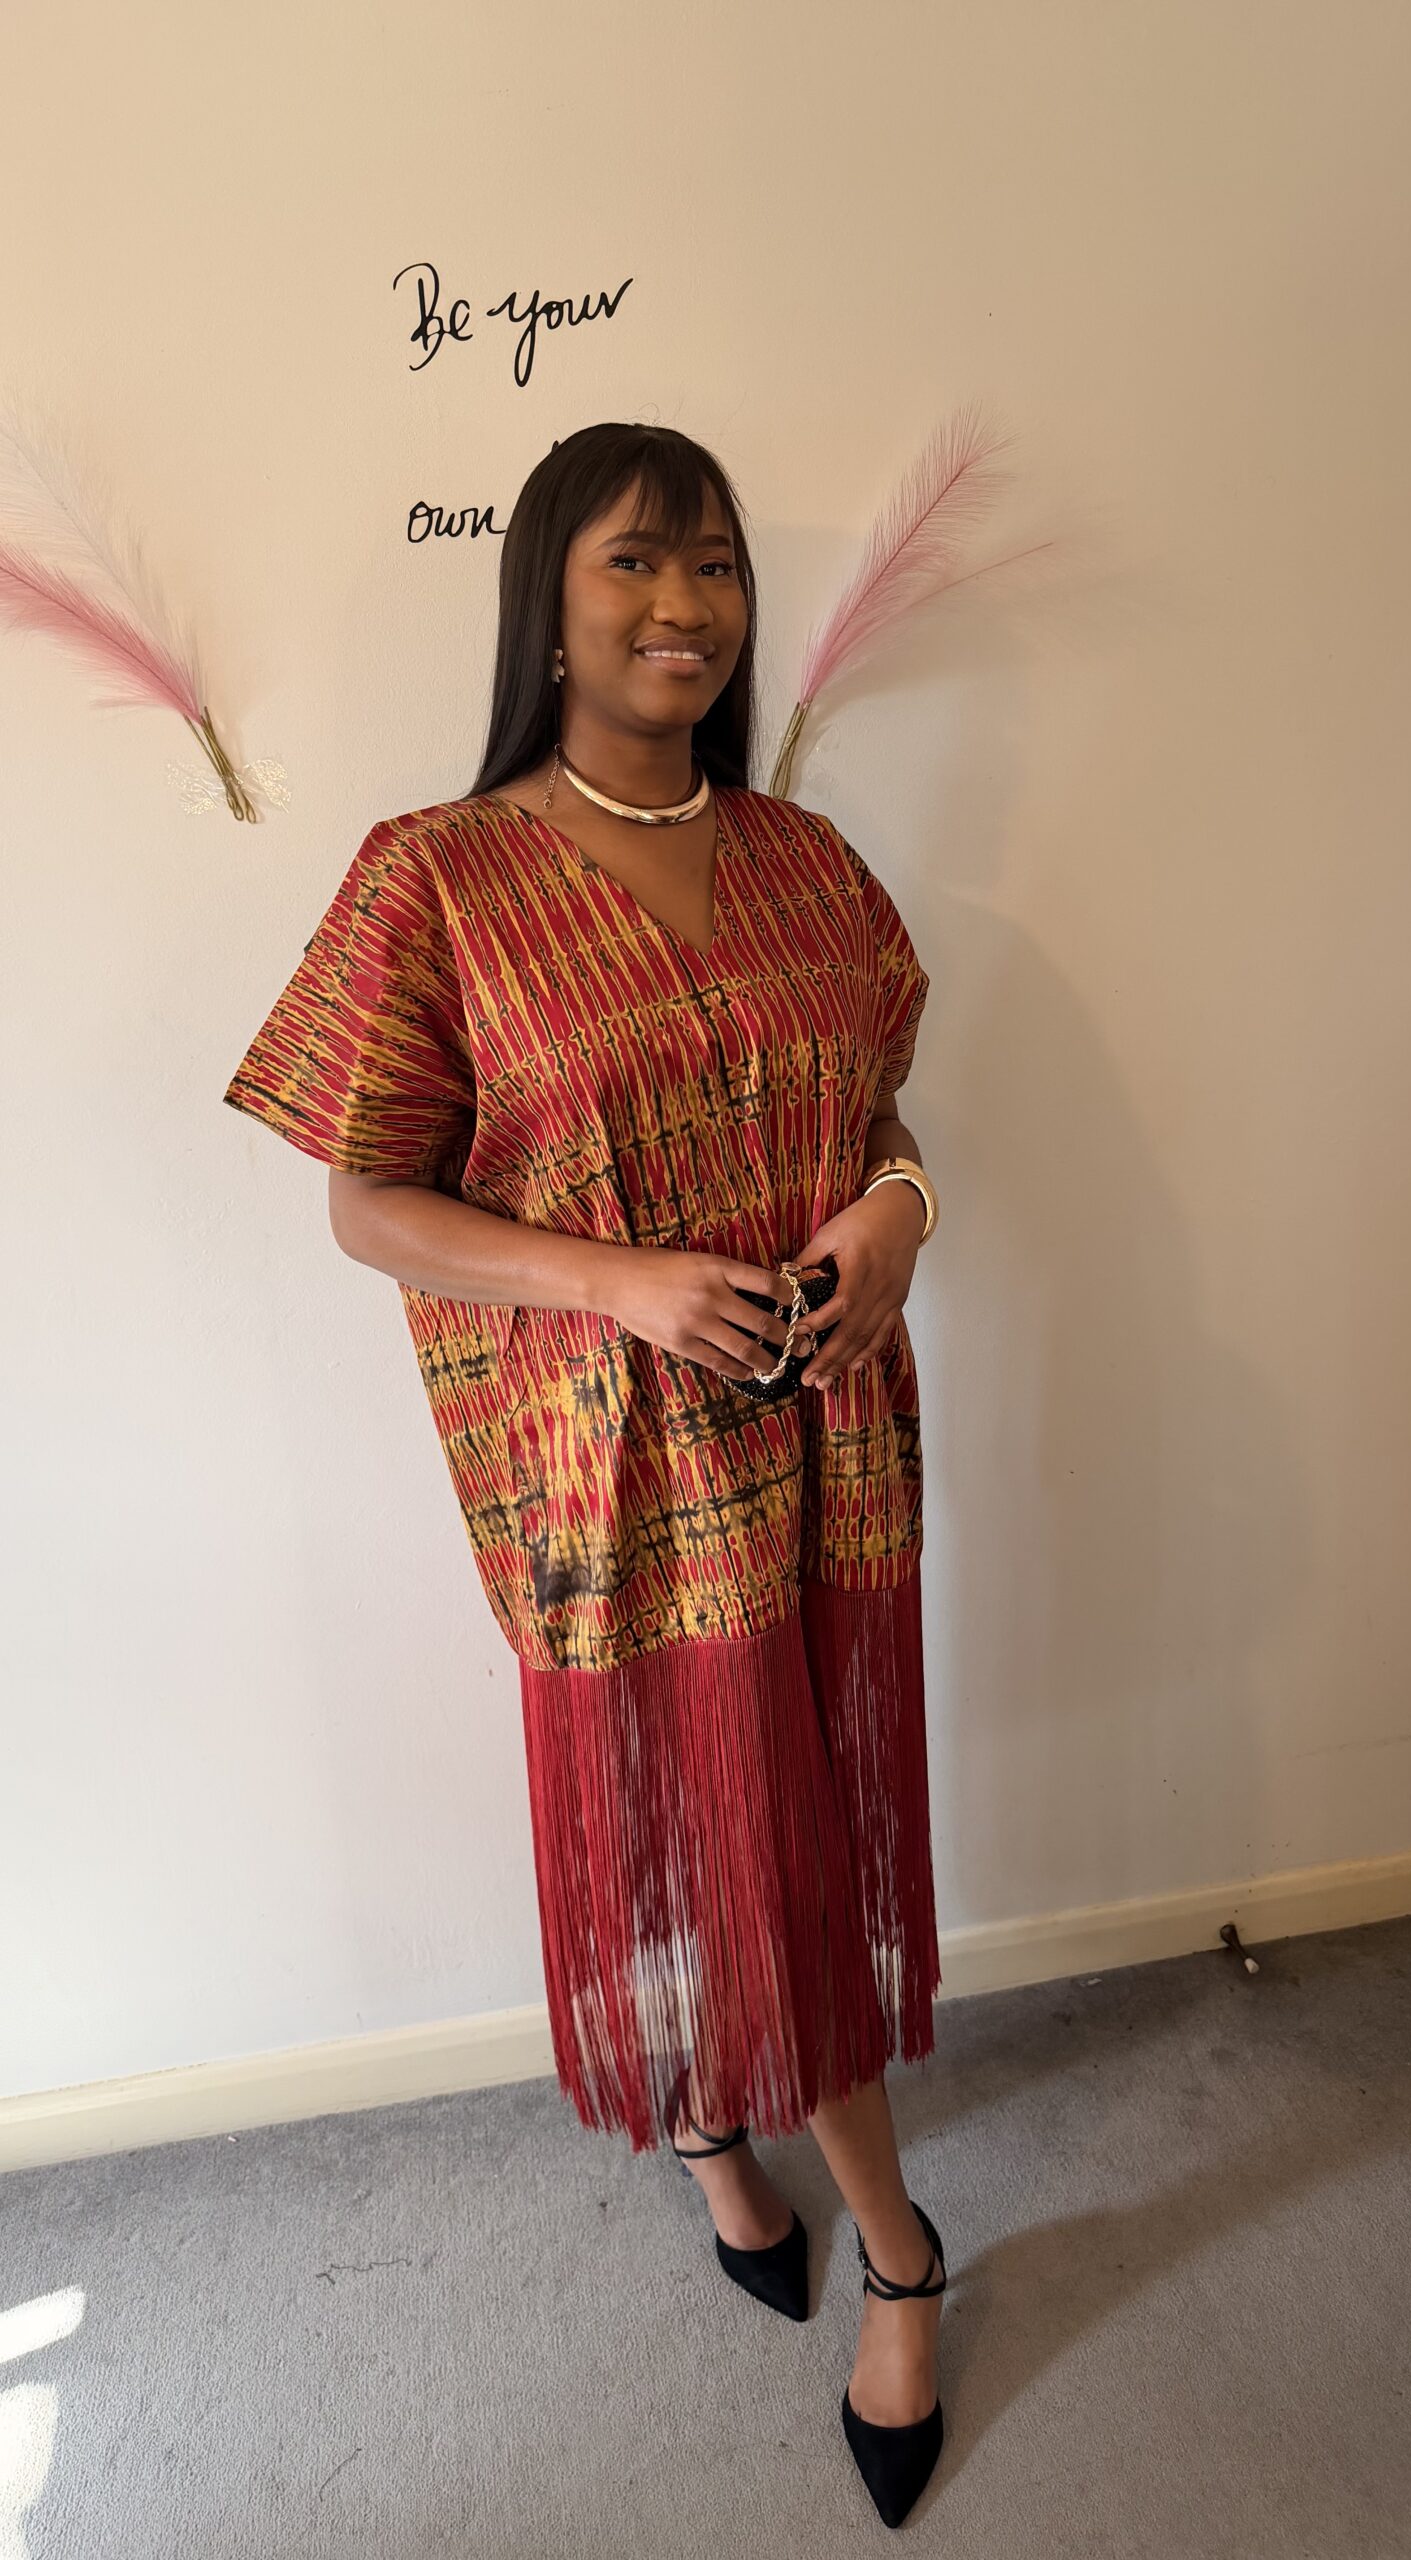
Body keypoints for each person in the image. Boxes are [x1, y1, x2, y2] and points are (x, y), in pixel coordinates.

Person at [222, 420, 948, 2526]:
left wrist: (899, 1217)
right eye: (637, 561)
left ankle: (737, 2134)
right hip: (611, 1472)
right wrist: (620, 1282)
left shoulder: (811, 860)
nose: (684, 604)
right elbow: (369, 1197)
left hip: (827, 1438)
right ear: (546, 597)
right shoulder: (434, 875)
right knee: (726, 1831)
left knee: (792, 1818)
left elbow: (879, 1120)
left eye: (714, 563)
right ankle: (895, 2241)